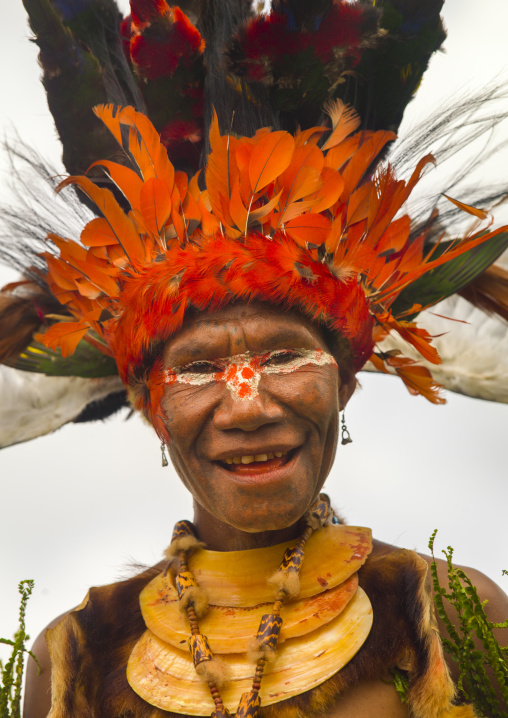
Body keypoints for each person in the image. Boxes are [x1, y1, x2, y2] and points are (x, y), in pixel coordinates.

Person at [1, 1, 507, 716]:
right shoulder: (75, 655)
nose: (248, 406)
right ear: (153, 410)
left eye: (283, 357)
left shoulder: (457, 615)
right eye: (200, 368)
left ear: (347, 387)